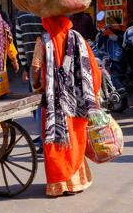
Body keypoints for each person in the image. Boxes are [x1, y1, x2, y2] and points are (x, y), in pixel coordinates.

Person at [31, 15, 102, 197]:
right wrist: (93, 96)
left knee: (55, 142)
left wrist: (37, 85)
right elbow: (93, 69)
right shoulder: (77, 38)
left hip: (53, 102)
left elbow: (36, 68)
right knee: (76, 139)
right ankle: (76, 182)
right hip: (78, 100)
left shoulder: (43, 39)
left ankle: (58, 184)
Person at [15, 11, 44, 146]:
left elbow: (20, 46)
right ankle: (45, 137)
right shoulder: (43, 12)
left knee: (38, 103)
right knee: (46, 103)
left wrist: (25, 68)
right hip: (47, 62)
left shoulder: (21, 18)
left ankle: (42, 137)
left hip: (33, 64)